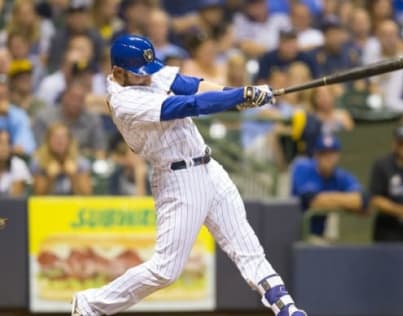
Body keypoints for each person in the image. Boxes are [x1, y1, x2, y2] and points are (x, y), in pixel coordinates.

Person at [71, 34, 306, 316]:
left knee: (248, 248)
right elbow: (188, 104)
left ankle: (287, 308)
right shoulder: (124, 101)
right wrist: (238, 96)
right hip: (177, 180)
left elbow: (190, 85)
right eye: (139, 75)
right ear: (118, 72)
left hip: (208, 167)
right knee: (165, 270)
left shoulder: (146, 74)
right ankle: (90, 305)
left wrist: (236, 94)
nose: (148, 78)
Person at [291, 134, 367, 238]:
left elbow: (362, 201)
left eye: (332, 154)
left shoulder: (340, 176)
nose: (328, 159)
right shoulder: (303, 167)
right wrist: (345, 201)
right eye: (323, 154)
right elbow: (313, 201)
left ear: (338, 155)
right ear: (316, 155)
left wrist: (327, 199)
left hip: (318, 235)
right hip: (292, 233)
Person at [33, 80, 107, 159]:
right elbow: (38, 149)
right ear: (64, 97)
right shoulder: (44, 117)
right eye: (73, 97)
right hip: (48, 162)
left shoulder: (93, 120)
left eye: (80, 99)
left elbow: (100, 151)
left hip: (83, 164)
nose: (75, 102)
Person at [31, 122, 92, 196]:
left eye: (63, 137)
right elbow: (38, 196)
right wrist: (50, 178)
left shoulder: (81, 162)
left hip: (73, 205)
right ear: (48, 140)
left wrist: (73, 176)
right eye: (55, 137)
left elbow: (87, 196)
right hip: (49, 206)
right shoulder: (39, 162)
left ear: (70, 141)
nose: (59, 141)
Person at [0, 74, 35, 156]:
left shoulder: (18, 114)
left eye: (4, 95)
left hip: (10, 162)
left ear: (9, 96)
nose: (1, 100)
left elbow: (26, 148)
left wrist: (7, 116)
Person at [0, 129, 31, 197]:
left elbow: (14, 198)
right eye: (1, 143)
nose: (4, 147)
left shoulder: (18, 165)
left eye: (7, 143)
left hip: (11, 206)